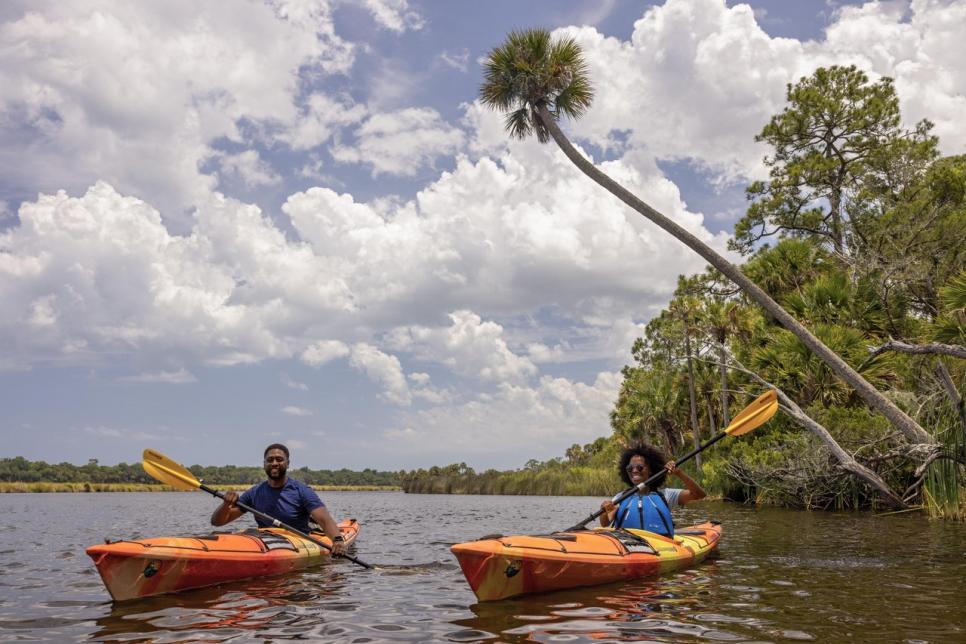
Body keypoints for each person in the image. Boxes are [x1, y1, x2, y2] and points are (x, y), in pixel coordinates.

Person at [211, 443, 346, 556]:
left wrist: (337, 539)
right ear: (264, 464)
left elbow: (324, 519)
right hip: (264, 539)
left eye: (279, 459)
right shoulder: (254, 492)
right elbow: (217, 522)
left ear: (287, 464)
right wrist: (226, 504)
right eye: (270, 460)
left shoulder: (301, 490)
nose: (274, 463)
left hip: (295, 540)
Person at [599, 443, 706, 537]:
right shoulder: (620, 497)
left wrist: (679, 473)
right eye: (630, 468)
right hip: (626, 546)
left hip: (659, 547)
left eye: (639, 467)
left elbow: (699, 495)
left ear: (650, 470)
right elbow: (604, 524)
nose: (634, 471)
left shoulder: (666, 495)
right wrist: (604, 511)